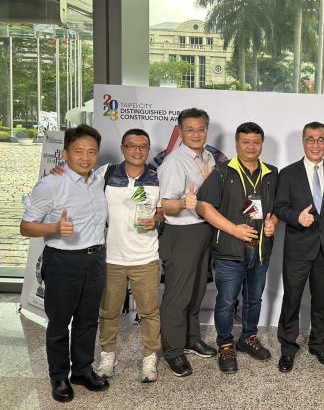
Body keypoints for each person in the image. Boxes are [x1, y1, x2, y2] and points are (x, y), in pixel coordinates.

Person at [21, 125, 109, 402]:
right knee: (59, 324)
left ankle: (82, 370)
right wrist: (54, 229)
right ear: (65, 153)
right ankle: (59, 377)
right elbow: (26, 227)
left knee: (87, 320)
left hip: (95, 260)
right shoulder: (51, 184)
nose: (85, 157)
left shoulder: (98, 179)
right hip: (62, 262)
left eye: (91, 151)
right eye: (78, 151)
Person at [196, 122, 279, 374]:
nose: (251, 147)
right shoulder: (222, 171)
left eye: (256, 142)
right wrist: (234, 229)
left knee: (254, 300)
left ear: (261, 144)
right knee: (226, 302)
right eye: (245, 142)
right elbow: (203, 206)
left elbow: (278, 207)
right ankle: (225, 344)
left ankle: (248, 337)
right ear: (236, 143)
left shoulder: (272, 173)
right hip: (230, 250)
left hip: (261, 250)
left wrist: (273, 222)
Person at [274, 122, 324, 373]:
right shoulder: (288, 173)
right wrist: (296, 218)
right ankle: (288, 347)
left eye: (321, 139)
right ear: (303, 142)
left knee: (322, 300)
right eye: (311, 139)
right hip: (297, 248)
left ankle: (318, 344)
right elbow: (279, 207)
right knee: (292, 299)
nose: (316, 144)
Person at [95, 129, 162, 383]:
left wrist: (156, 219)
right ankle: (107, 356)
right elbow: (79, 183)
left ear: (148, 149)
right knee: (109, 311)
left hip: (145, 257)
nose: (137, 150)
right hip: (112, 257)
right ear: (123, 148)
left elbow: (163, 211)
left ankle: (149, 359)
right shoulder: (107, 173)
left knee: (149, 312)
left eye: (142, 146)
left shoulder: (157, 178)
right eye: (131, 146)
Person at [158, 108, 216, 377]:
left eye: (201, 129)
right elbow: (166, 205)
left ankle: (191, 338)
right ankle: (173, 351)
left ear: (206, 130)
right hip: (181, 234)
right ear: (180, 131)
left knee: (196, 291)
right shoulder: (173, 162)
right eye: (190, 129)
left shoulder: (209, 157)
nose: (196, 134)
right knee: (177, 296)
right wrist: (184, 202)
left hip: (204, 231)